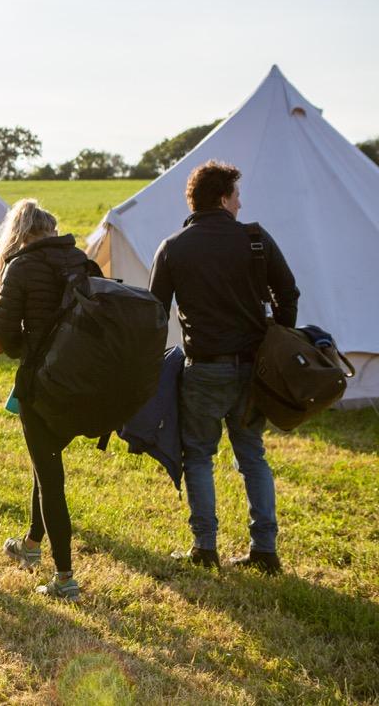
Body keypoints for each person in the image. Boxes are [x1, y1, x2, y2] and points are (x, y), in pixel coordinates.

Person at [149, 161, 299, 574]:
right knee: (252, 455)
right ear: (222, 198)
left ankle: (205, 546)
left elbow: (156, 314)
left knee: (197, 455)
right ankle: (264, 550)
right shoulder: (254, 239)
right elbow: (289, 292)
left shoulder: (173, 247)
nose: (240, 202)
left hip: (204, 368)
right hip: (256, 369)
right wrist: (278, 339)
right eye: (236, 194)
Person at [0, 199, 100, 600]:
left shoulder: (21, 267)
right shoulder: (81, 260)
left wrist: (36, 350)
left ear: (21, 234)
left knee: (50, 477)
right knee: (47, 463)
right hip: (82, 380)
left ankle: (65, 578)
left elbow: (8, 337)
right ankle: (30, 543)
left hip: (42, 382)